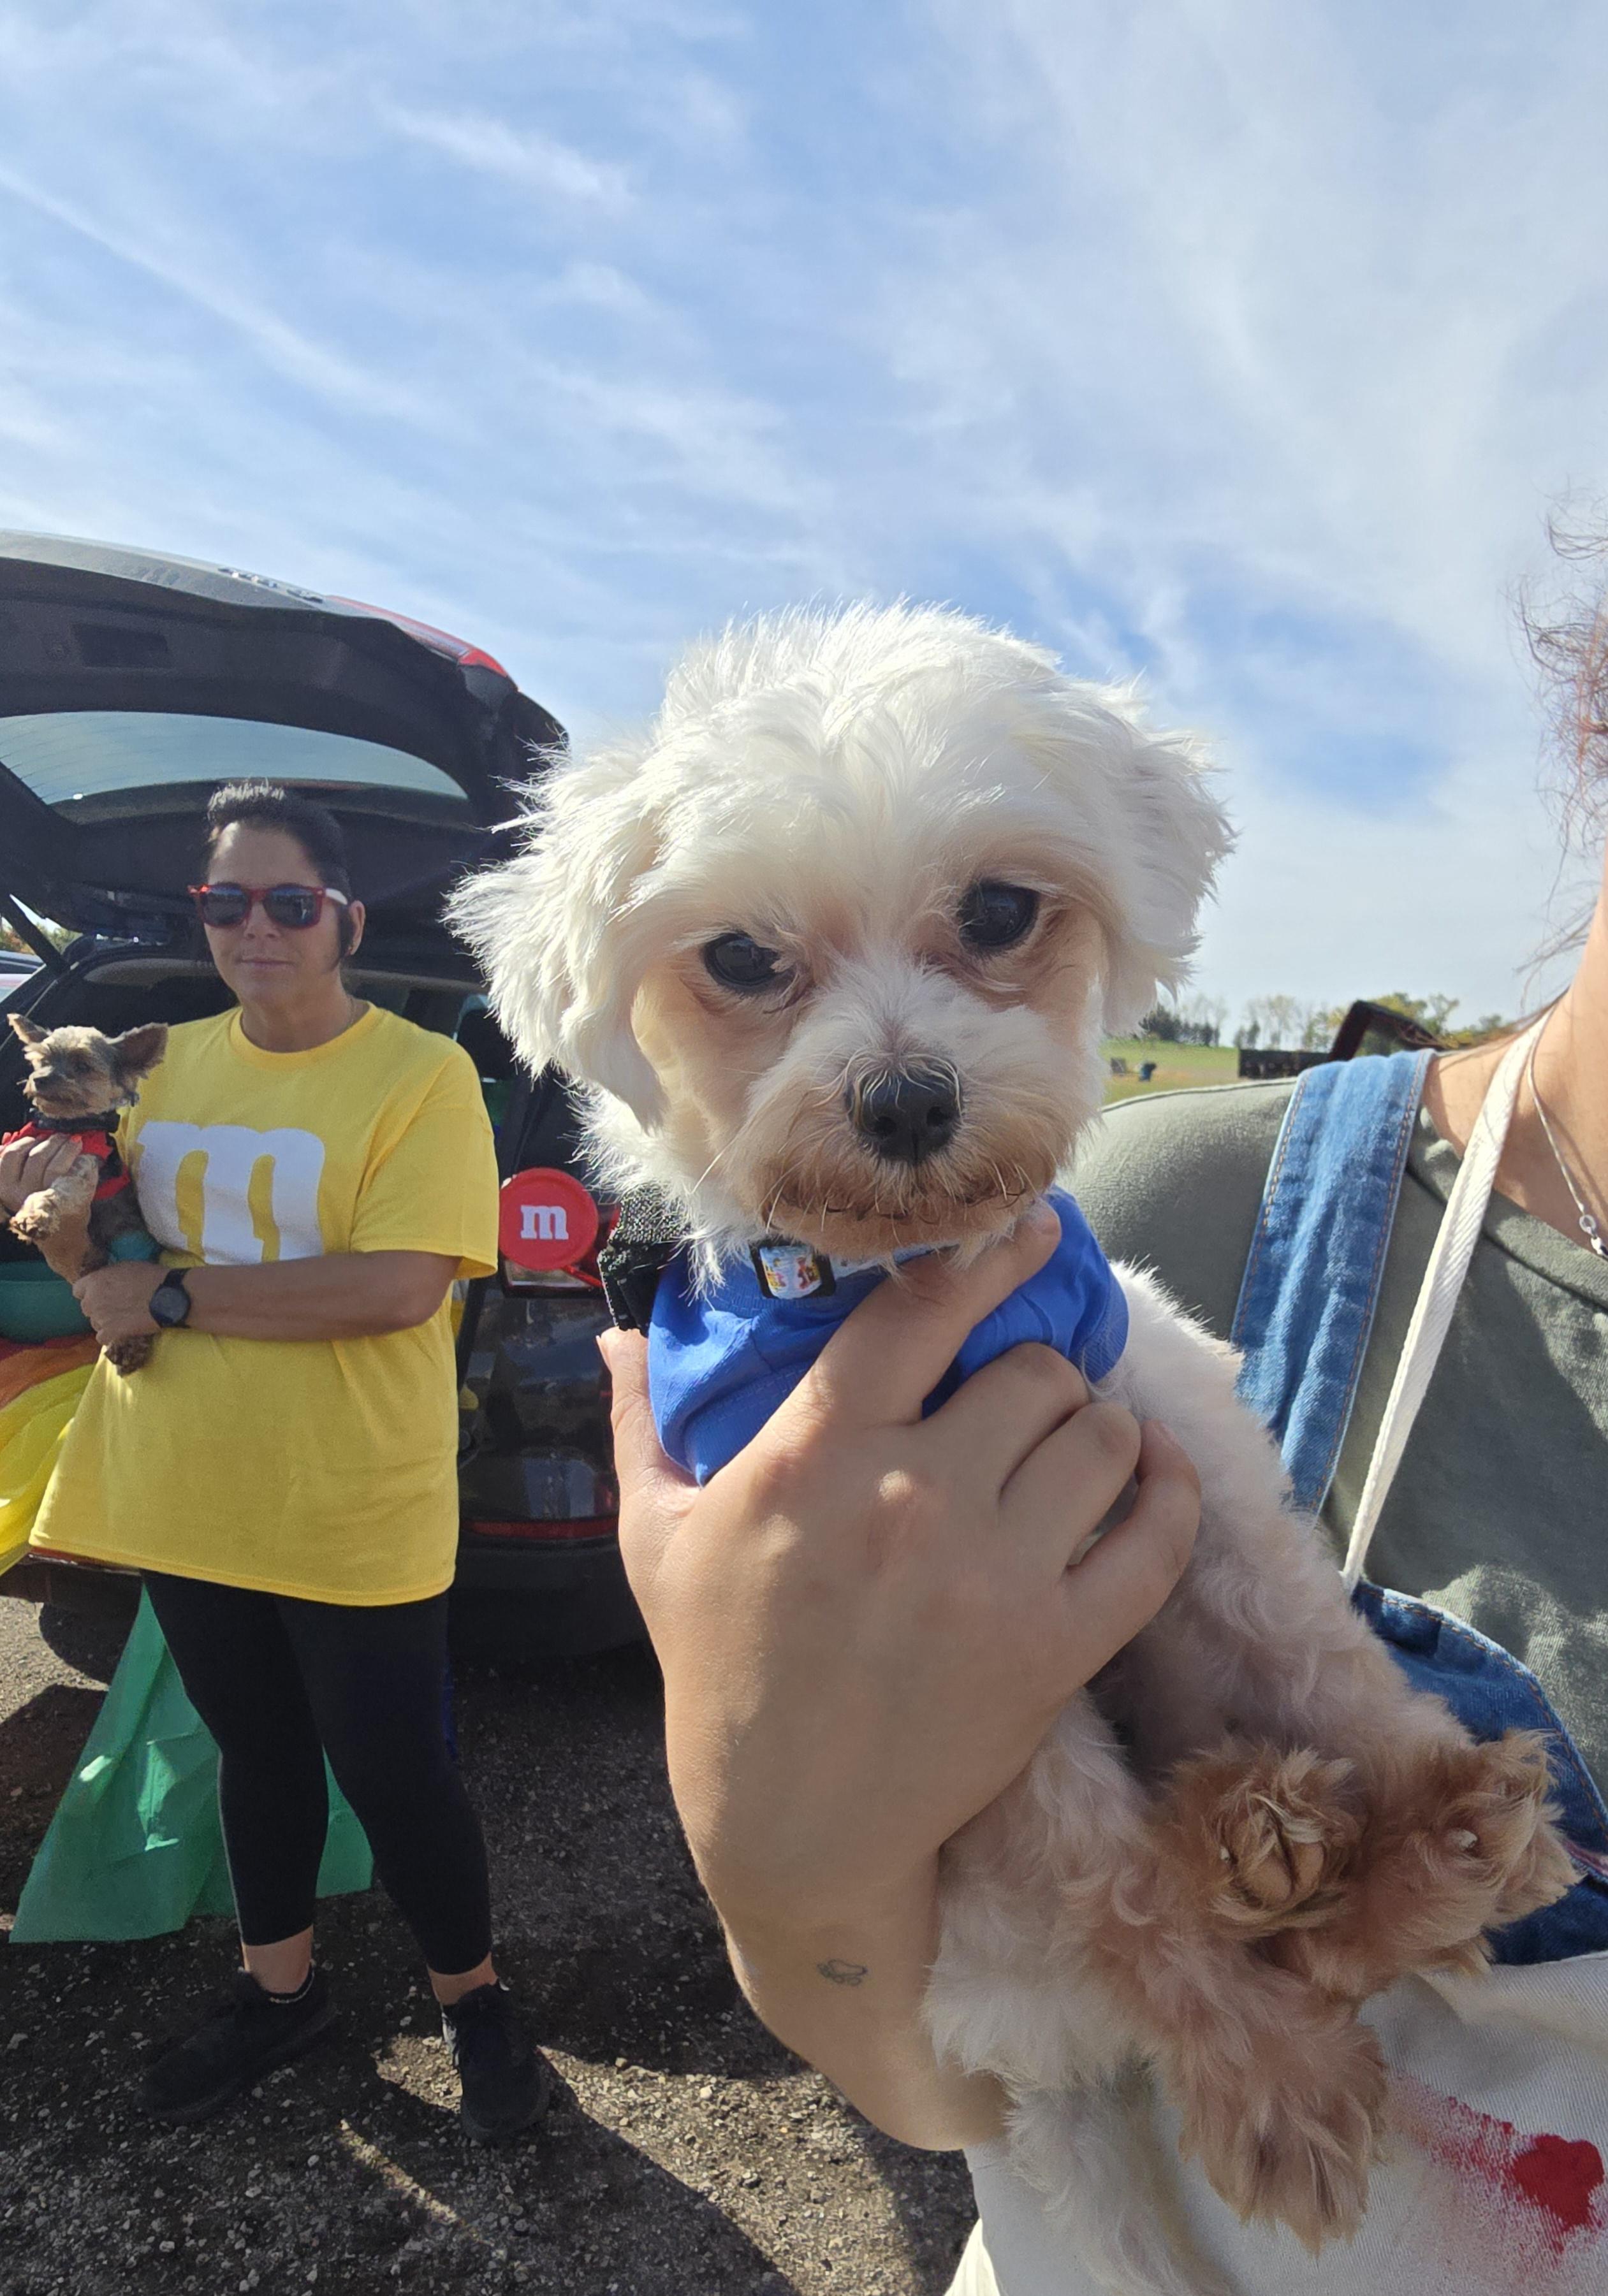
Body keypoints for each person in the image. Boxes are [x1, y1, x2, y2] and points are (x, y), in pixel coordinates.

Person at [600, 556, 1608, 2292]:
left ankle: (1340, 1838)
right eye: (756, 962)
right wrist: (774, 1860)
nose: (897, 1059)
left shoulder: (1075, 1249)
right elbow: (925, 2077)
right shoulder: (1205, 1198)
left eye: (994, 920)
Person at [0, 780, 548, 2141]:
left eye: (289, 901)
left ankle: (473, 2002)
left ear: (343, 918)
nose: (257, 926)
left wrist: (170, 1298)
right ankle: (279, 1991)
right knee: (253, 1751)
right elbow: (93, 1231)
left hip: (350, 1493)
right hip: (184, 1482)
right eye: (227, 900)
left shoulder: (420, 1077)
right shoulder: (159, 1059)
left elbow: (400, 1285)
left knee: (396, 1769)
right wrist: (54, 1211)